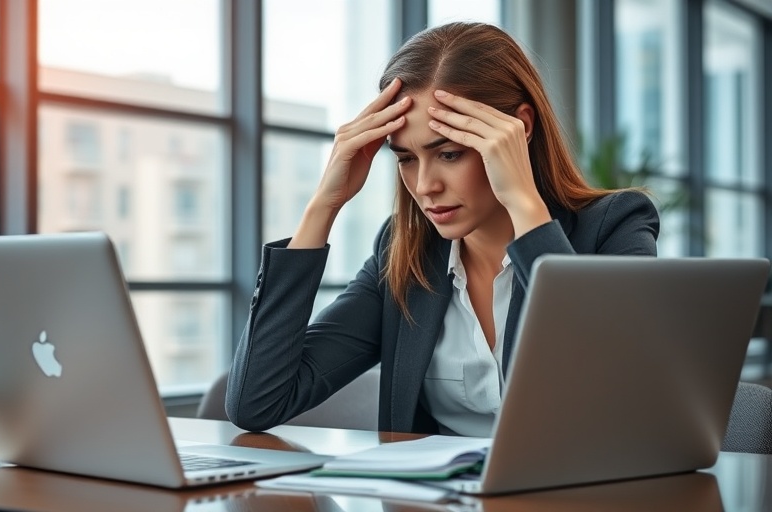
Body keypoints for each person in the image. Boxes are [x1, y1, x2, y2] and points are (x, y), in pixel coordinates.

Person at [225, 22, 660, 436]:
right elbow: (257, 402)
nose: (425, 186)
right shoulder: (404, 252)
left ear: (519, 128)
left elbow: (610, 398)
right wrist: (324, 204)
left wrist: (525, 205)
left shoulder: (614, 226)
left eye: (449, 154)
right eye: (406, 159)